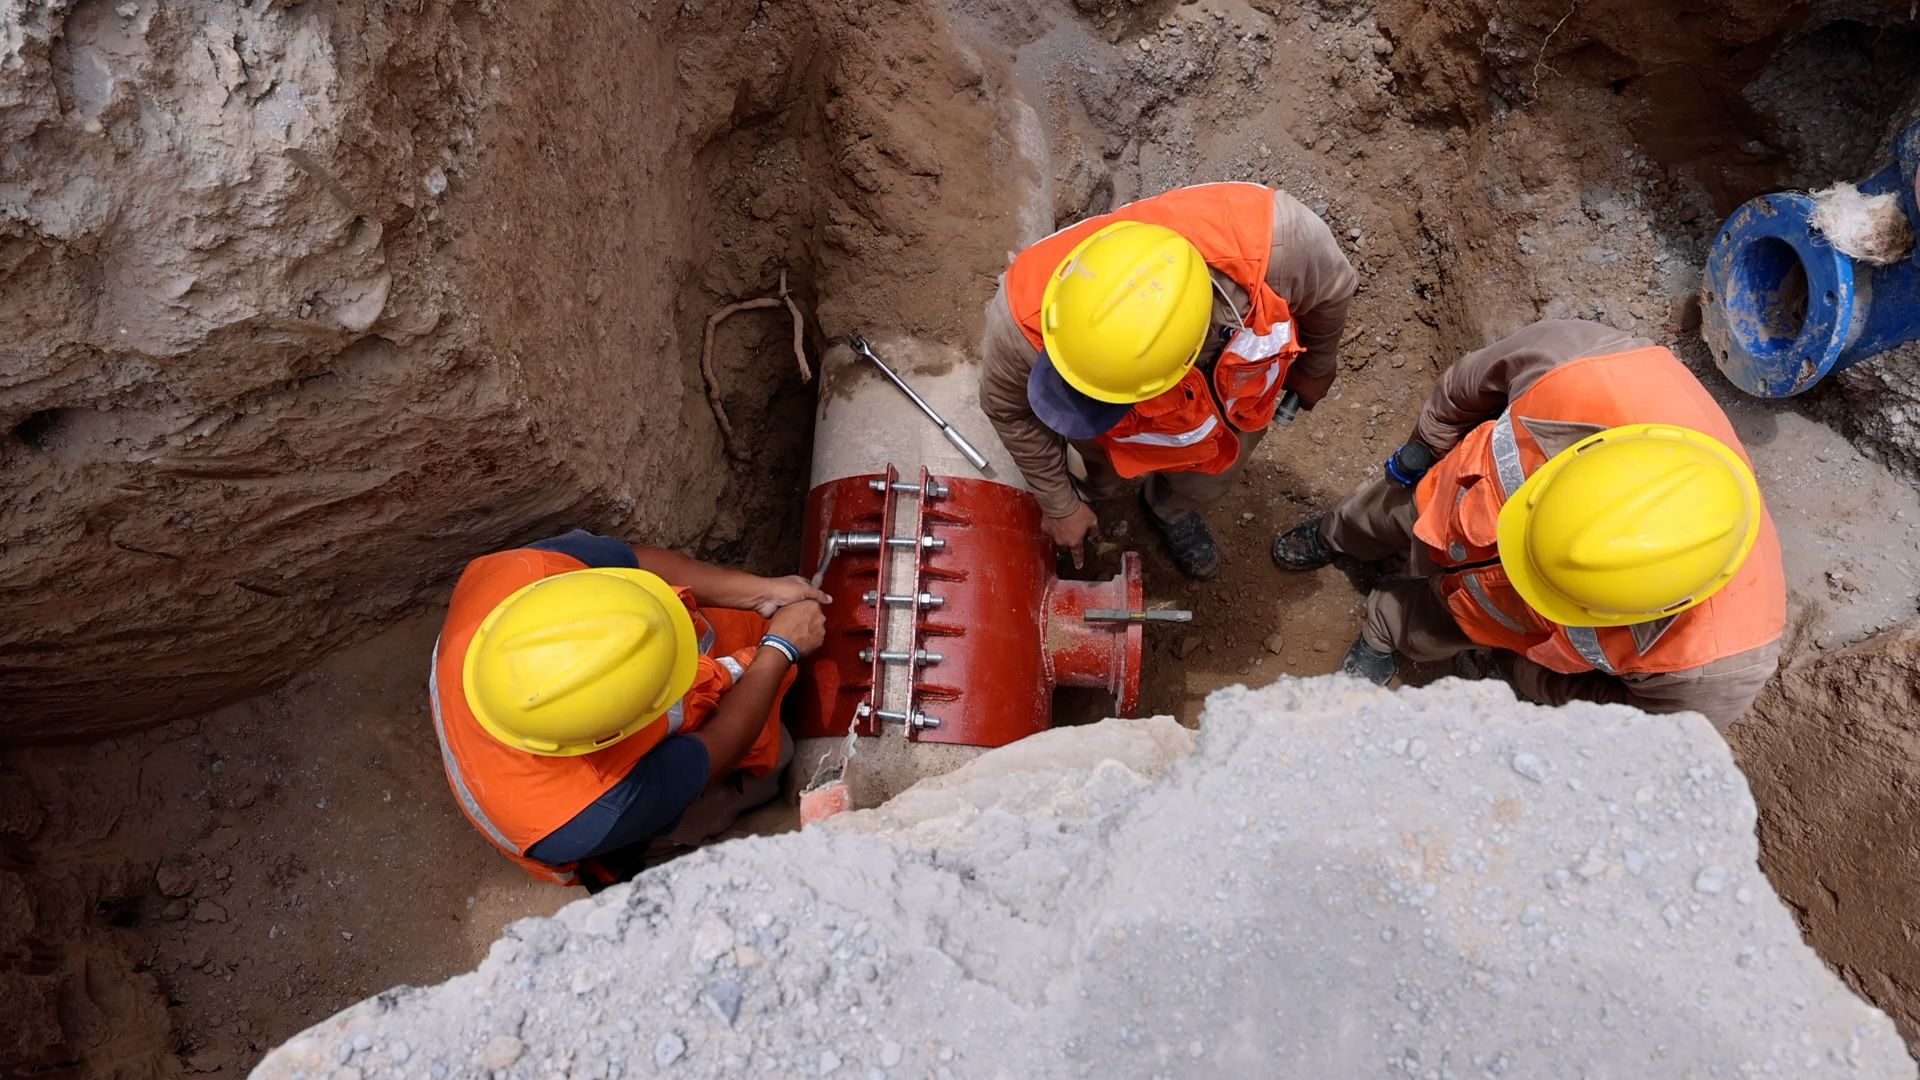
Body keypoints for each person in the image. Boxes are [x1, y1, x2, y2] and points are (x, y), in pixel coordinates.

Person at [1271, 319, 1786, 730]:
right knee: (1385, 511)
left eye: (1548, 583)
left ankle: (1388, 627)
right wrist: (1422, 450)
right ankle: (1336, 534)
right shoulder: (1591, 369)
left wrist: (1534, 676)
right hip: (1452, 500)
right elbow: (1465, 387)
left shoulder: (1716, 668)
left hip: (1494, 618)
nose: (1524, 572)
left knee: (1434, 627)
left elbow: (1628, 719)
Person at [979, 182, 1357, 579]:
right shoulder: (1020, 321)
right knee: (1093, 466)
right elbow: (1008, 411)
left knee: (1207, 476)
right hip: (1113, 442)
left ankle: (1168, 509)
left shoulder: (1282, 247)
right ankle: (1092, 495)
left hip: (1231, 408)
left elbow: (1332, 293)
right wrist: (1060, 504)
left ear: (1187, 358)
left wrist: (1317, 366)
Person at [427, 529, 828, 888]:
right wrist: (781, 649)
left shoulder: (516, 574)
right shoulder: (588, 810)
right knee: (776, 759)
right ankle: (660, 848)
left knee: (726, 624)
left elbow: (631, 561)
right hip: (591, 822)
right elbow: (717, 748)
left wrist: (761, 592)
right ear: (610, 734)